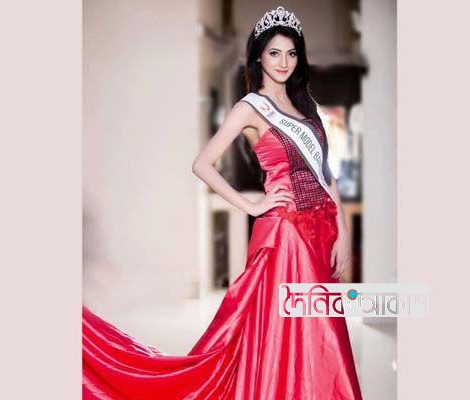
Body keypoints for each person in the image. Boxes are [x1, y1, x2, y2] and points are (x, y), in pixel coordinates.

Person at [83, 5, 364, 399]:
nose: (283, 62)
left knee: (322, 332)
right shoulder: (249, 108)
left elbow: (325, 172)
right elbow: (202, 163)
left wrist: (343, 232)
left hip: (321, 232)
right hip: (286, 238)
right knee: (292, 331)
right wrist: (252, 206)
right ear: (259, 56)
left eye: (291, 53)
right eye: (274, 53)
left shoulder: (306, 107)